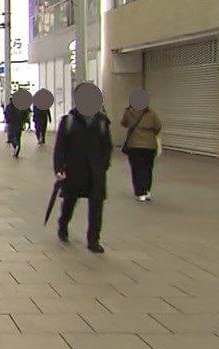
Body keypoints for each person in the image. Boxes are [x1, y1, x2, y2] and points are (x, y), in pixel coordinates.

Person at [54, 84, 112, 253]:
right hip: (74, 170)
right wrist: (59, 168)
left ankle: (93, 239)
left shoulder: (102, 122)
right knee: (69, 202)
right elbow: (60, 148)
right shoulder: (69, 121)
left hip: (95, 172)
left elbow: (107, 147)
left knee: (96, 206)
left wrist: (103, 165)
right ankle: (63, 225)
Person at [120, 90, 163, 202]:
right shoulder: (151, 113)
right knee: (148, 168)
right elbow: (158, 126)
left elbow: (124, 123)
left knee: (136, 168)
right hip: (150, 146)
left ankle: (140, 192)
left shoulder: (129, 112)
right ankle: (147, 190)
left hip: (134, 145)